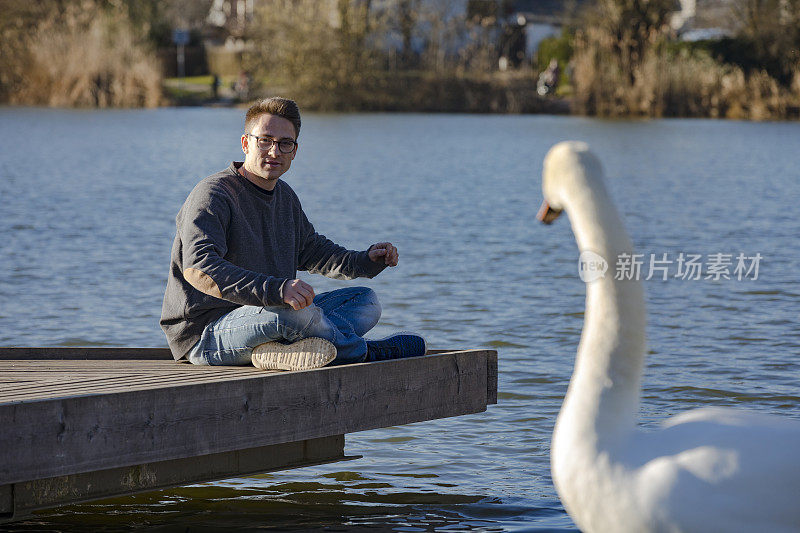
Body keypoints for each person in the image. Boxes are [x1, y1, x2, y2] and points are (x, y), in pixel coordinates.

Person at [160, 97, 426, 371]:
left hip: (268, 316)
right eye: (265, 140)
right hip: (208, 333)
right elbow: (199, 269)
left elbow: (314, 252)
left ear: (294, 151)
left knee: (366, 301)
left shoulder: (285, 197)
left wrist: (367, 260)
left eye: (285, 143)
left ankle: (282, 350)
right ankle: (362, 352)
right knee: (292, 316)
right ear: (245, 143)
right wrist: (278, 290)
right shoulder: (214, 194)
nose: (274, 151)